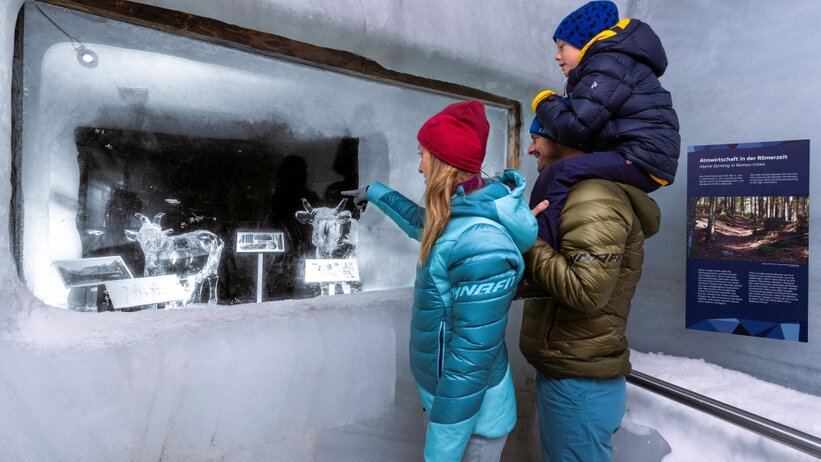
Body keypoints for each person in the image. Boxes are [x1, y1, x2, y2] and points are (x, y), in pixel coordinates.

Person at [344, 101, 537, 462]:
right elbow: (425, 224)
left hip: (470, 424)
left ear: (445, 164)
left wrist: (440, 451)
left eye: (424, 156)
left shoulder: (482, 244)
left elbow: (470, 361)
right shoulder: (460, 214)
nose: (419, 166)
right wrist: (375, 192)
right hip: (448, 408)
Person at [519, 121, 661, 462]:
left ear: (561, 139)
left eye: (535, 138)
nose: (530, 149)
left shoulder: (592, 195)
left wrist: (524, 235)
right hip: (571, 375)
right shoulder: (577, 193)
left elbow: (586, 291)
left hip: (578, 385)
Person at [530, 0, 679, 249]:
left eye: (561, 46)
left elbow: (574, 125)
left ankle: (537, 243)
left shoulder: (608, 63)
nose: (557, 56)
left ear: (584, 41)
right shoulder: (613, 63)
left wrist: (544, 101)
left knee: (558, 173)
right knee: (572, 173)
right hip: (641, 155)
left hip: (641, 155)